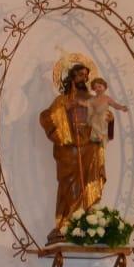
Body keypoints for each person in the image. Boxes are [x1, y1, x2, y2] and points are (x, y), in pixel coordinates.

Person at [38, 62, 106, 243]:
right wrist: (64, 110)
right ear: (71, 77)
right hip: (69, 150)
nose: (83, 78)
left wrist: (107, 117)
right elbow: (46, 118)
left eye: (86, 75)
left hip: (90, 145)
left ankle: (89, 220)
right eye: (79, 75)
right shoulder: (62, 100)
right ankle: (66, 221)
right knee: (69, 185)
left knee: (89, 182)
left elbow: (103, 121)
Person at [86, 77, 128, 146]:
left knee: (102, 118)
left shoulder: (107, 98)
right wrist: (80, 102)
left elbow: (114, 105)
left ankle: (102, 135)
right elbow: (87, 104)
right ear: (93, 89)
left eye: (99, 86)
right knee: (92, 121)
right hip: (96, 116)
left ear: (104, 87)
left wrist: (121, 107)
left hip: (104, 115)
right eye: (95, 87)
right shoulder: (93, 99)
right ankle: (98, 136)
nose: (98, 89)